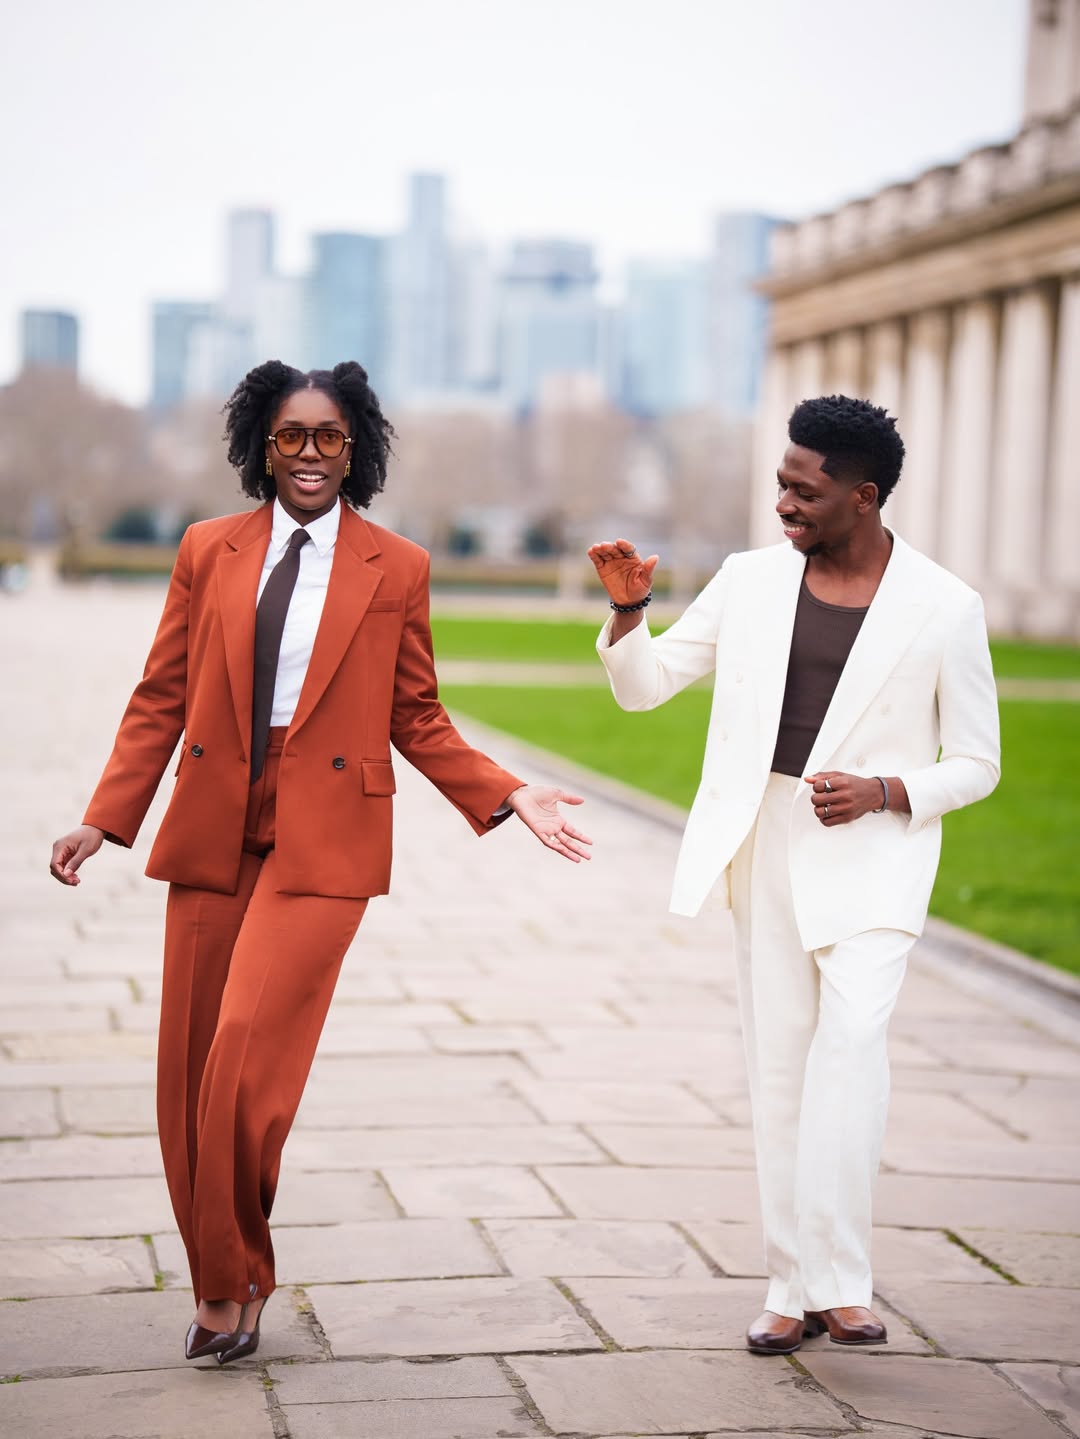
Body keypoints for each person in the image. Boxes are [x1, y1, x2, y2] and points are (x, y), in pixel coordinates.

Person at [49, 360, 592, 1364]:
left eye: (329, 436)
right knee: (183, 1077)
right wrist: (106, 817)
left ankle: (225, 1290)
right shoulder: (209, 549)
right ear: (262, 444)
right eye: (292, 434)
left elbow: (416, 713)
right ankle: (235, 1272)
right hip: (216, 824)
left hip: (326, 833)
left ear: (357, 447)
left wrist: (508, 789)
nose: (309, 452)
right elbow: (161, 691)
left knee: (240, 1066)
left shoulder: (398, 564)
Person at [588, 394, 999, 1356]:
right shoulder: (749, 581)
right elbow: (646, 689)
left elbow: (978, 761)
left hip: (875, 857)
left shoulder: (946, 607)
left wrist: (889, 787)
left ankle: (843, 1282)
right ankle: (788, 1285)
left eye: (802, 490)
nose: (783, 502)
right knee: (781, 1071)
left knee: (851, 1056)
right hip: (766, 840)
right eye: (780, 482)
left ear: (863, 495)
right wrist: (627, 612)